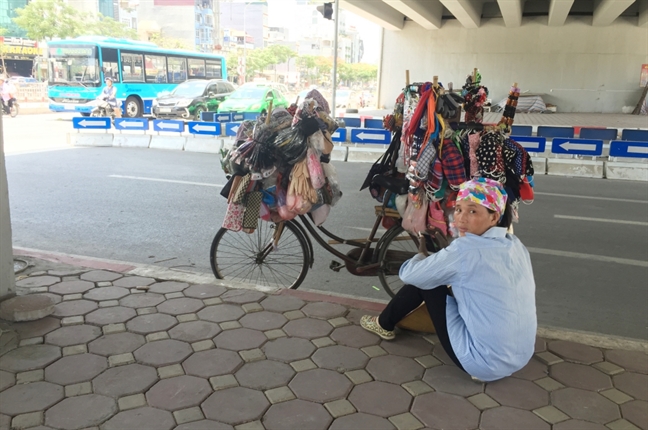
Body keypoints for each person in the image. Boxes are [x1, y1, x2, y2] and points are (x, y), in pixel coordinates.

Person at [361, 178, 537, 382]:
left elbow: (409, 275)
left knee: (426, 282)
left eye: (473, 211)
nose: (460, 219)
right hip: (521, 356)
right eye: (459, 209)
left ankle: (383, 324)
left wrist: (422, 256)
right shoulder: (515, 244)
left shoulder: (464, 250)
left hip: (483, 363)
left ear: (494, 217)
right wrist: (445, 254)